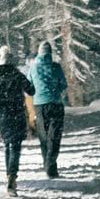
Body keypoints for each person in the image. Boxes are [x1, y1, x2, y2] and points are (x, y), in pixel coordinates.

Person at [0, 45, 35, 195]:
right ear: (11, 60)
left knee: (7, 145)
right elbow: (31, 90)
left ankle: (9, 175)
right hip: (17, 113)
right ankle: (12, 176)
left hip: (2, 115)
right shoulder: (17, 74)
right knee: (16, 146)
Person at [31, 41, 68, 179]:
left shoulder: (33, 68)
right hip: (55, 103)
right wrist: (55, 90)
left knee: (43, 135)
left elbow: (29, 85)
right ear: (50, 53)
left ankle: (46, 163)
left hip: (39, 105)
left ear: (40, 53)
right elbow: (63, 84)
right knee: (55, 135)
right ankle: (51, 167)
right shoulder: (56, 67)